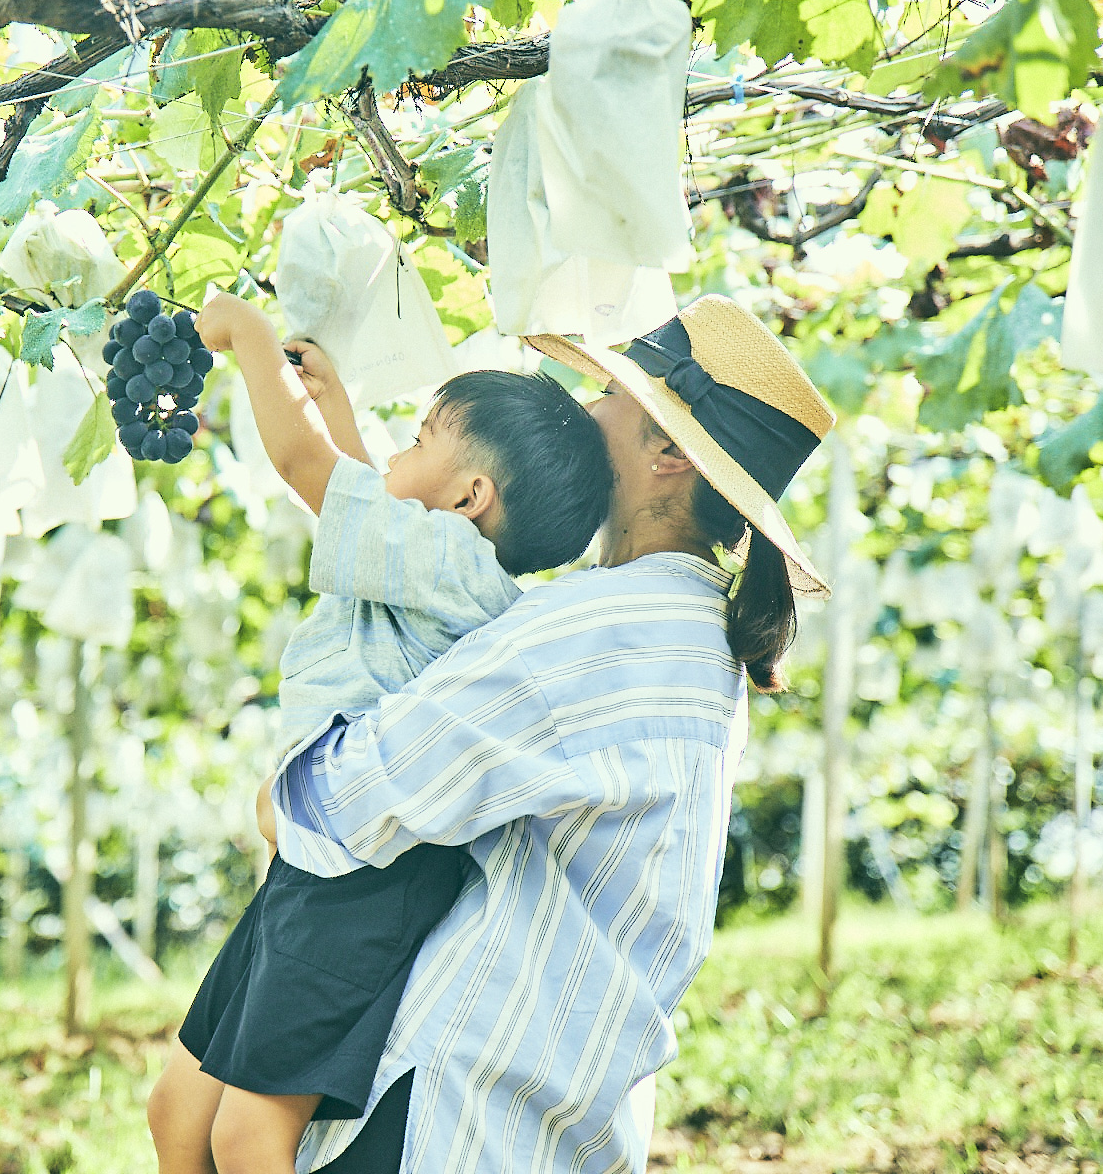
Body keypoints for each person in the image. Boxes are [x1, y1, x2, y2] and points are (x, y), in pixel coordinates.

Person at [233, 294, 835, 1174]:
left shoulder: (593, 632)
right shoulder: (694, 634)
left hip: (459, 1102)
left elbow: (339, 804)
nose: (583, 411)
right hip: (564, 1108)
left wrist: (280, 793)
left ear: (668, 453)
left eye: (612, 397)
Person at [145, 292, 615, 1174]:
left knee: (248, 1140)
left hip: (359, 885)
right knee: (179, 1113)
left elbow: (302, 465)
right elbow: (372, 508)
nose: (396, 453)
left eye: (420, 439)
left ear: (472, 496)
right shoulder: (448, 566)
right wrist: (341, 413)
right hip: (328, 865)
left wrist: (245, 334)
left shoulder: (450, 563)